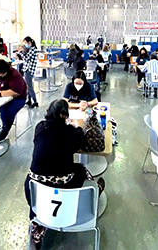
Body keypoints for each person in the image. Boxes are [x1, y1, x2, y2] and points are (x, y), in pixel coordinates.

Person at [24, 99, 105, 247]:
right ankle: (94, 192)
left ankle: (38, 226)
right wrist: (77, 127)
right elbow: (79, 139)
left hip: (33, 187)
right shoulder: (68, 132)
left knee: (46, 172)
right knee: (80, 168)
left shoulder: (39, 127)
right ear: (64, 115)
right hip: (63, 187)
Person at [22, 36, 38, 108]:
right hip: (27, 69)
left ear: (29, 42)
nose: (25, 44)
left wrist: (20, 54)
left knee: (30, 86)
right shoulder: (30, 49)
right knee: (28, 86)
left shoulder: (32, 50)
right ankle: (29, 100)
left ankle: (35, 101)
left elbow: (26, 58)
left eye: (25, 43)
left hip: (29, 70)